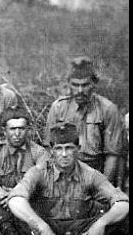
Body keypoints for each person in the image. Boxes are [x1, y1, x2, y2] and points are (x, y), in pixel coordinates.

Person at [8, 123, 129, 235]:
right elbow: (15, 199)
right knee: (19, 215)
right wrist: (41, 226)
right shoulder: (39, 171)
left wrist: (101, 223)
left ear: (78, 149)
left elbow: (122, 202)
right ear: (51, 151)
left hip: (80, 231)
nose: (64, 154)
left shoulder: (90, 174)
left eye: (69, 148)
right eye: (59, 148)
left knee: (122, 220)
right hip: (48, 228)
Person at [0, 106, 50, 235]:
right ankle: (7, 231)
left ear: (28, 130)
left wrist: (15, 193)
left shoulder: (38, 152)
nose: (17, 133)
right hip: (2, 203)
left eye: (21, 128)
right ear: (4, 130)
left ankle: (19, 234)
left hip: (28, 203)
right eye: (12, 129)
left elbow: (43, 172)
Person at [45, 56, 125, 187]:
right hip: (64, 172)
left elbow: (113, 155)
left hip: (96, 174)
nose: (80, 90)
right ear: (69, 84)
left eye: (85, 85)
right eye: (75, 85)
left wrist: (102, 188)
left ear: (94, 84)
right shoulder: (58, 107)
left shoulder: (108, 109)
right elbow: (48, 149)